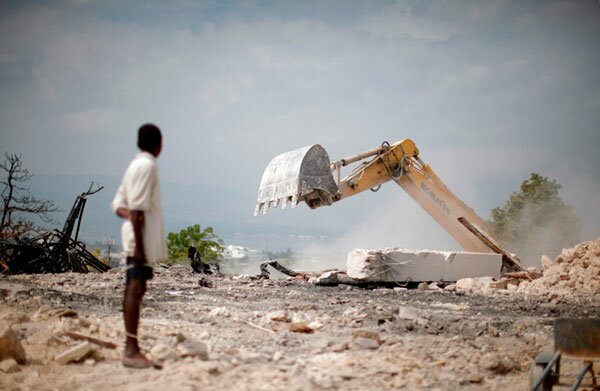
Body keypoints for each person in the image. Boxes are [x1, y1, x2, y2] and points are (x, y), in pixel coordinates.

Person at [111, 123, 166, 369]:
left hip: (135, 235)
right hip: (139, 239)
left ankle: (131, 346)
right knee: (134, 287)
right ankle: (131, 350)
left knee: (137, 287)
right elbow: (136, 209)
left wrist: (133, 220)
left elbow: (119, 205)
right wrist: (140, 244)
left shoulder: (134, 165)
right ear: (159, 145)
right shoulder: (148, 166)